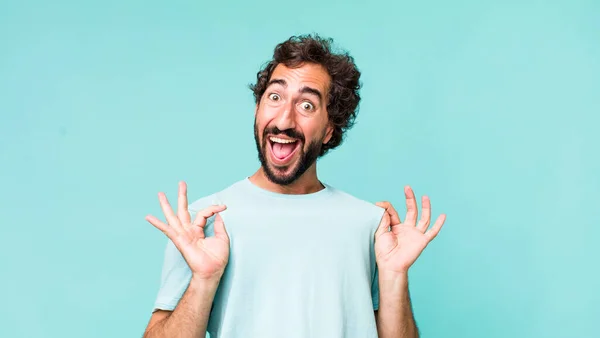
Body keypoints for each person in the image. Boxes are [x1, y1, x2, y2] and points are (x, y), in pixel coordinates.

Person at [142, 34, 446, 338]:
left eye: (306, 105)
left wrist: (394, 276)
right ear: (257, 109)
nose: (284, 120)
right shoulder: (203, 222)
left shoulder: (369, 225)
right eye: (274, 97)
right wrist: (203, 279)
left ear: (329, 129)